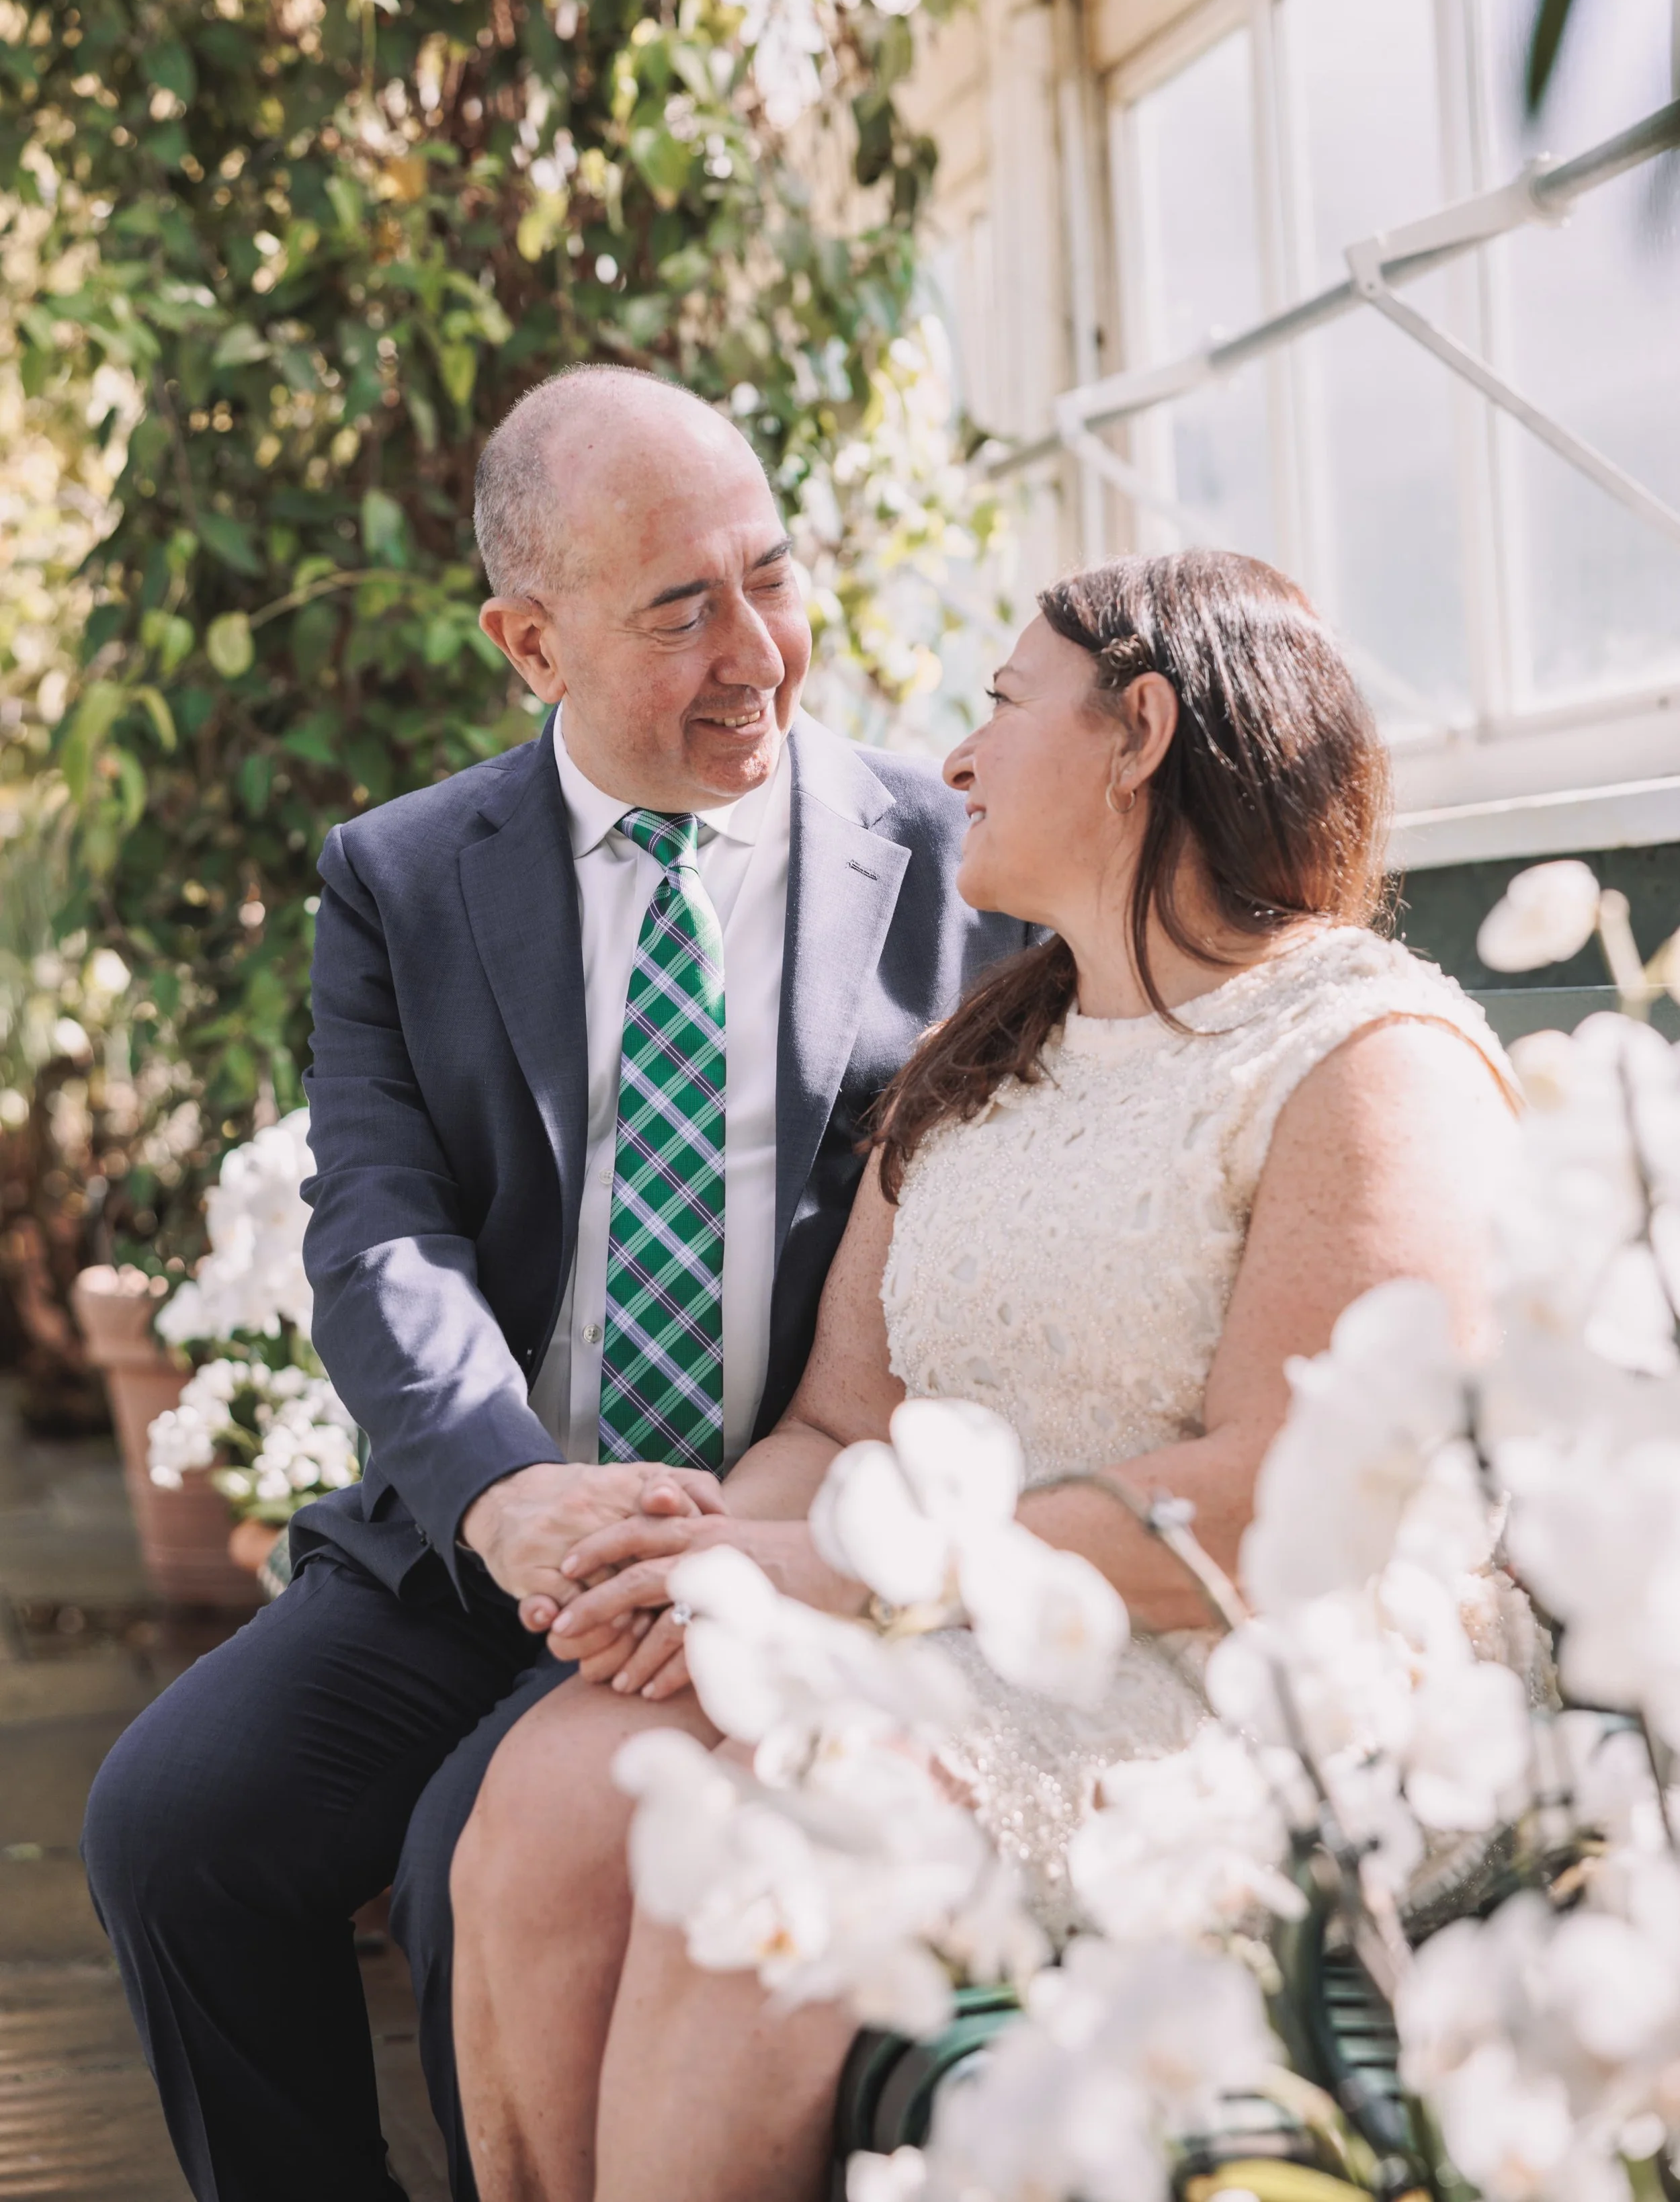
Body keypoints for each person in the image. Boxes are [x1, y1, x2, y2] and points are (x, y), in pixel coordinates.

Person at [447, 547, 1521, 2202]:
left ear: (1136, 730)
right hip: (951, 1623)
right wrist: (699, 1571)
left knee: (788, 1818)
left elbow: (1287, 1507)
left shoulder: (1364, 1055)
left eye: (1002, 703)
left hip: (1250, 1672)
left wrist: (839, 1574)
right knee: (554, 1792)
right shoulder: (984, 1060)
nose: (952, 759)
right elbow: (831, 1419)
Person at [80, 365, 1032, 2202]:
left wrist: (780, 1548)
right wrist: (505, 1490)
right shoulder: (406, 876)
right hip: (484, 1536)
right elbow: (381, 1230)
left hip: (764, 1552)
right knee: (169, 1825)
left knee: (472, 1860)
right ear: (532, 644)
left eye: (768, 572)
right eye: (681, 609)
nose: (758, 647)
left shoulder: (956, 865)